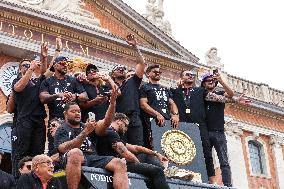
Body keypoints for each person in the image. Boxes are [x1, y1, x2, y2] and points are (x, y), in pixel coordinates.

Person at [171, 69, 250, 183]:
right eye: (187, 74)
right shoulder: (185, 92)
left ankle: (220, 183)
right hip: (193, 129)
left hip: (211, 130)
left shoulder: (204, 92)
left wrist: (235, 99)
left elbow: (223, 98)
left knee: (216, 158)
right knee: (193, 154)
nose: (191, 76)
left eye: (193, 75)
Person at [54, 90, 129, 189]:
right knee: (75, 153)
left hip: (92, 158)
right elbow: (63, 149)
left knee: (120, 163)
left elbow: (106, 122)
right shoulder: (62, 129)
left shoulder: (86, 125)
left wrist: (112, 103)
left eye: (79, 111)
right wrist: (85, 132)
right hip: (73, 159)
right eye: (73, 111)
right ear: (65, 114)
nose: (77, 113)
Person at [96, 113, 170, 189]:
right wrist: (139, 164)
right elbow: (126, 154)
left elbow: (135, 148)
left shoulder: (114, 134)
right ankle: (164, 172)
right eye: (126, 125)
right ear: (119, 121)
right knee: (157, 171)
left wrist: (156, 153)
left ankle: (164, 171)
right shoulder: (111, 132)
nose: (126, 129)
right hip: (114, 164)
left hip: (116, 162)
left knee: (145, 156)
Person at [11, 43, 48, 178]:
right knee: (21, 153)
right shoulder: (18, 79)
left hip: (38, 121)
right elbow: (18, 88)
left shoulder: (37, 81)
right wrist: (30, 69)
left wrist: (44, 58)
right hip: (24, 120)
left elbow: (45, 73)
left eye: (29, 64)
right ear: (20, 69)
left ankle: (35, 182)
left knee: (37, 155)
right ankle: (17, 182)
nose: (28, 66)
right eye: (25, 65)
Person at [39, 55, 88, 154]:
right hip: (56, 119)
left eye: (67, 64)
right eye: (62, 63)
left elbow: (85, 96)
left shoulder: (73, 80)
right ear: (55, 65)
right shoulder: (48, 81)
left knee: (75, 148)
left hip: (73, 120)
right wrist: (58, 95)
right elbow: (42, 98)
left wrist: (75, 96)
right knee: (55, 150)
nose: (66, 66)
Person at [111, 34, 147, 146]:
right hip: (118, 118)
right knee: (121, 146)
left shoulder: (133, 82)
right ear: (112, 74)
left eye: (124, 68)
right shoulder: (110, 85)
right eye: (118, 68)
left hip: (133, 117)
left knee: (137, 145)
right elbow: (116, 92)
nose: (122, 69)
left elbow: (141, 63)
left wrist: (135, 47)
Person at [140, 64, 179, 148]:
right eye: (155, 72)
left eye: (159, 72)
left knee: (169, 146)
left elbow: (172, 103)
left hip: (167, 121)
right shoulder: (145, 87)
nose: (158, 73)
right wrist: (157, 114)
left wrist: (175, 115)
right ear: (148, 74)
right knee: (155, 146)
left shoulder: (165, 89)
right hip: (152, 122)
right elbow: (143, 104)